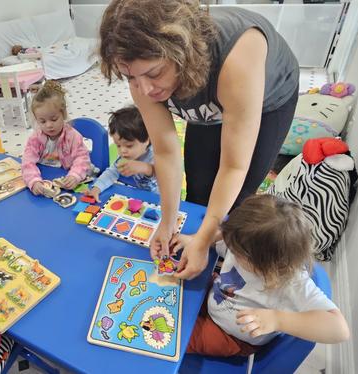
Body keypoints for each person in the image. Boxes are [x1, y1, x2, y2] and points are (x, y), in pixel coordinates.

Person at [99, 0, 300, 280]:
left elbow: (234, 167)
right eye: (131, 77)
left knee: (237, 200)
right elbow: (167, 152)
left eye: (154, 73)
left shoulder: (238, 58)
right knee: (198, 186)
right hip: (209, 97)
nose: (144, 89)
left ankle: (219, 261)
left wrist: (205, 240)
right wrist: (167, 223)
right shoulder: (144, 81)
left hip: (269, 100)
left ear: (179, 53)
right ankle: (194, 246)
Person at [181, 194, 350, 356]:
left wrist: (278, 320)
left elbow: (339, 329)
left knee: (173, 337)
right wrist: (197, 241)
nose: (231, 249)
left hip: (229, 337)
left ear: (268, 264)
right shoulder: (245, 242)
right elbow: (223, 237)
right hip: (215, 298)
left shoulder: (291, 282)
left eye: (238, 252)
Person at [21, 80, 91, 195]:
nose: (49, 125)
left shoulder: (73, 136)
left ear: (63, 114)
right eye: (42, 121)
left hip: (66, 181)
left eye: (54, 119)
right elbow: (27, 162)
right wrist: (33, 181)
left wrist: (75, 176)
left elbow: (82, 159)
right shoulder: (35, 138)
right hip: (43, 178)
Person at [87, 106, 157, 201]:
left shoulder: (156, 155)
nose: (122, 151)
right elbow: (111, 172)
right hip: (140, 198)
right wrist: (96, 188)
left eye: (129, 146)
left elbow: (167, 178)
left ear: (146, 140)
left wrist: (146, 168)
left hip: (160, 200)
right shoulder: (124, 156)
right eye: (118, 145)